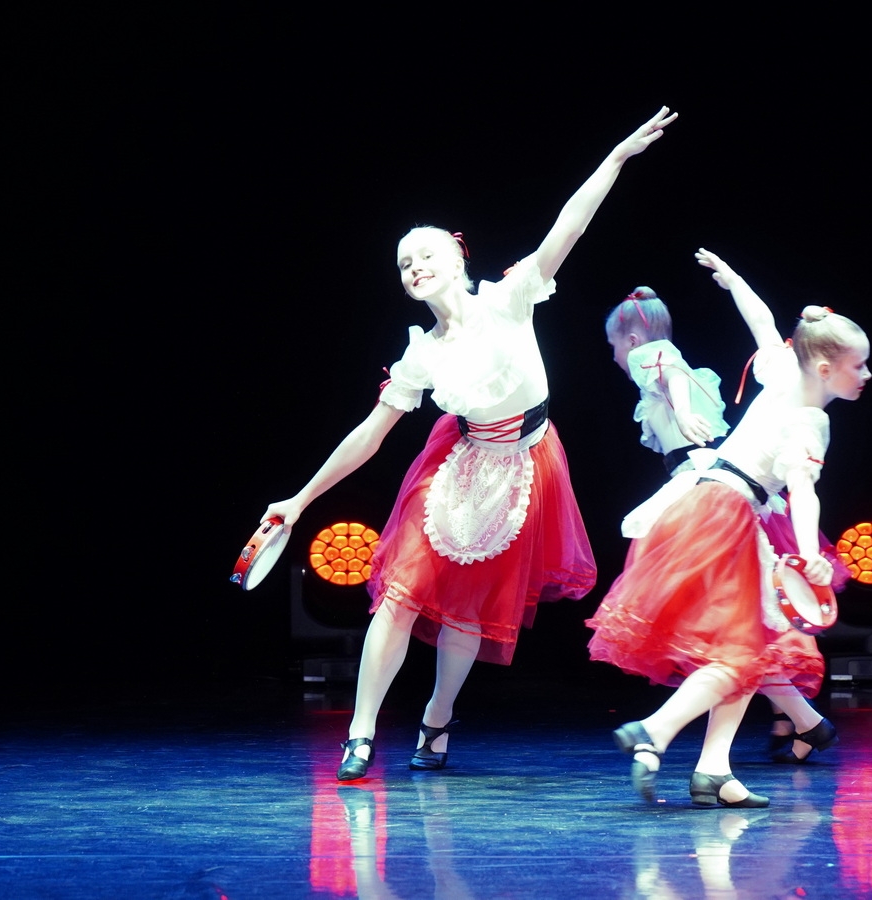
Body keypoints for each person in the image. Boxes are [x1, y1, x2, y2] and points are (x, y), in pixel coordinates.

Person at [263, 107, 680, 781]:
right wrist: (300, 498)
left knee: (466, 612)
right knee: (400, 594)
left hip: (526, 463)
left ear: (459, 257)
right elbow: (369, 435)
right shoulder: (421, 354)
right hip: (457, 460)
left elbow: (569, 226)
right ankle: (360, 732)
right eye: (405, 263)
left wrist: (616, 158)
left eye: (426, 254)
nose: (415, 267)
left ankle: (437, 717)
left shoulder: (510, 298)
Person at [586, 247, 872, 807]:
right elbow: (803, 490)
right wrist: (811, 556)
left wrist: (734, 280)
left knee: (746, 642)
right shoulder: (811, 420)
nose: (866, 374)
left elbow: (762, 323)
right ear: (824, 368)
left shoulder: (782, 370)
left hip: (703, 502)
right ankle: (655, 730)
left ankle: (713, 769)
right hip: (729, 514)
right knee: (742, 649)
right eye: (857, 365)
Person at [605, 286, 731, 476]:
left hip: (702, 466)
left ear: (633, 342)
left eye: (613, 346)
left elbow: (675, 374)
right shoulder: (654, 377)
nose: (614, 358)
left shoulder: (647, 357)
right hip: (700, 465)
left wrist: (682, 413)